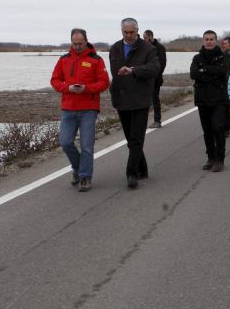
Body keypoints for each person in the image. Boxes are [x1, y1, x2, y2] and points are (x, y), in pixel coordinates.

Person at [50, 28, 110, 191]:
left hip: (88, 109)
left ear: (86, 41)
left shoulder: (96, 60)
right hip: (68, 108)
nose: (77, 46)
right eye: (74, 43)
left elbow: (104, 82)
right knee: (66, 142)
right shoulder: (64, 59)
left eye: (80, 43)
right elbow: (55, 80)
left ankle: (85, 177)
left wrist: (86, 88)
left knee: (87, 146)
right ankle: (77, 169)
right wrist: (68, 87)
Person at [109, 18, 161, 188]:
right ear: (121, 31)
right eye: (126, 32)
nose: (130, 35)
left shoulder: (148, 48)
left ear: (137, 30)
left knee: (137, 138)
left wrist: (133, 70)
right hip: (121, 99)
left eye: (132, 32)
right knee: (130, 139)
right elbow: (114, 74)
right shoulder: (115, 48)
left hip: (140, 99)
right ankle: (143, 168)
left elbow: (155, 69)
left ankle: (132, 174)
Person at [190, 30, 230, 172]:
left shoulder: (222, 56)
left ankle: (220, 160)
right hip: (202, 99)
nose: (209, 41)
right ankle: (211, 158)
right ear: (203, 41)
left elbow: (222, 71)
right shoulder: (197, 58)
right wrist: (211, 74)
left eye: (211, 39)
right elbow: (193, 74)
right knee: (207, 131)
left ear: (216, 40)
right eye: (206, 39)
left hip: (219, 99)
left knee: (218, 128)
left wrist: (204, 70)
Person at [142, 29, 167, 128]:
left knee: (154, 99)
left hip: (155, 78)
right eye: (143, 38)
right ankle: (143, 121)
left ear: (151, 37)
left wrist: (154, 75)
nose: (144, 40)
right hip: (145, 78)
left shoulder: (159, 48)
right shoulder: (145, 47)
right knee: (144, 100)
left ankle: (157, 120)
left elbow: (162, 64)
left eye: (145, 38)